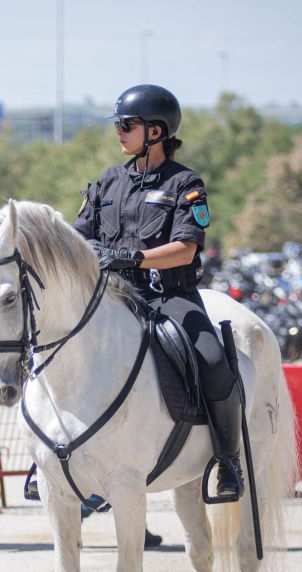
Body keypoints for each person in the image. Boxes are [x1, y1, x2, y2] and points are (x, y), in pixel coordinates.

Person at [73, 84, 243, 503]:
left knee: (214, 361)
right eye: (118, 125)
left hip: (169, 297)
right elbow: (78, 239)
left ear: (156, 131)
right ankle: (47, 459)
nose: (119, 132)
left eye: (126, 125)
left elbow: (186, 248)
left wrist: (134, 257)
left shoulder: (185, 182)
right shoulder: (106, 182)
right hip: (114, 298)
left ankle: (226, 461)